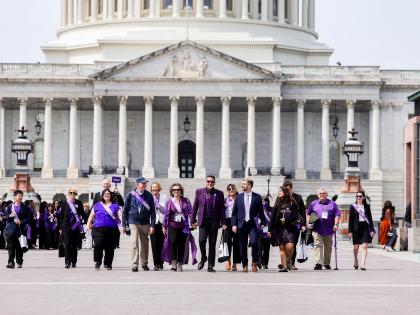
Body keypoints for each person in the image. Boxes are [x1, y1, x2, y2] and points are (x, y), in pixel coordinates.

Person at [191, 175, 226, 272]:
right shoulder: (199, 192)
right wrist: (192, 221)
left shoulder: (219, 193)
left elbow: (222, 210)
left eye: (212, 181)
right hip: (203, 221)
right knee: (202, 241)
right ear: (206, 182)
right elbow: (195, 207)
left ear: (214, 183)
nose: (210, 183)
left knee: (212, 243)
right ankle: (203, 258)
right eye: (208, 181)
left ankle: (210, 265)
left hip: (214, 222)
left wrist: (223, 222)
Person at [231, 178, 266, 273]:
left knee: (254, 242)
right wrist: (234, 225)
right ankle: (245, 265)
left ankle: (254, 262)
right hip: (241, 225)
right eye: (242, 184)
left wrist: (263, 222)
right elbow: (234, 213)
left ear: (249, 185)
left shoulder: (257, 197)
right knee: (242, 246)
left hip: (252, 225)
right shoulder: (238, 197)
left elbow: (261, 212)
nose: (242, 185)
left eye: (244, 184)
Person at [122, 176, 156, 272]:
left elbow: (153, 212)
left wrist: (152, 225)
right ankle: (134, 264)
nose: (144, 185)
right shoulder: (130, 195)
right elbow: (125, 210)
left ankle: (144, 263)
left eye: (145, 183)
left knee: (144, 244)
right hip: (133, 221)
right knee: (134, 243)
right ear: (137, 185)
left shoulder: (149, 195)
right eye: (142, 183)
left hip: (145, 222)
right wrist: (124, 224)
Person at [161, 183, 197, 271]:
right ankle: (173, 262)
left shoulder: (186, 201)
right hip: (172, 225)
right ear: (172, 192)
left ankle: (180, 262)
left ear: (181, 191)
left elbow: (191, 212)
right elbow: (166, 215)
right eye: (174, 190)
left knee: (181, 245)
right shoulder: (169, 202)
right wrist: (164, 226)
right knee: (173, 243)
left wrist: (193, 222)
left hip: (184, 226)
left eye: (178, 190)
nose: (176, 191)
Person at [87, 189, 121, 270]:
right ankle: (98, 261)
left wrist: (122, 225)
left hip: (111, 229)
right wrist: (88, 224)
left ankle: (108, 263)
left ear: (111, 195)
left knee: (110, 247)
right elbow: (91, 216)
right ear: (102, 196)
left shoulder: (115, 205)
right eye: (105, 194)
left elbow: (120, 215)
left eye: (108, 194)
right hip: (98, 229)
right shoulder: (97, 205)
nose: (106, 195)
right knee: (98, 245)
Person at [307, 188, 341, 270]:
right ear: (318, 195)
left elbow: (337, 214)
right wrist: (308, 223)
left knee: (328, 247)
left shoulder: (332, 204)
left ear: (327, 195)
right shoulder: (313, 203)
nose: (322, 194)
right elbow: (308, 214)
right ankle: (318, 263)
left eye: (323, 193)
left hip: (329, 229)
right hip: (317, 229)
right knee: (318, 245)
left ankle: (326, 263)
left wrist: (336, 224)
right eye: (320, 193)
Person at [268, 186, 299, 272]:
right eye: (279, 192)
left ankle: (288, 260)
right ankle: (284, 266)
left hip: (290, 228)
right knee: (282, 247)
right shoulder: (277, 203)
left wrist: (287, 219)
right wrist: (269, 230)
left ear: (285, 192)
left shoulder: (292, 203)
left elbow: (296, 215)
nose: (279, 193)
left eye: (281, 191)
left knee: (290, 246)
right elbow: (272, 217)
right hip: (279, 228)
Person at [59, 187, 87, 268]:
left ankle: (74, 261)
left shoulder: (79, 203)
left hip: (76, 226)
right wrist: (60, 227)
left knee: (74, 245)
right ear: (68, 194)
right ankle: (67, 262)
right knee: (67, 244)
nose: (72, 194)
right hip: (66, 226)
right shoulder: (65, 203)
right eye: (71, 193)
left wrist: (87, 223)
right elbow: (62, 215)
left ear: (76, 195)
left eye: (74, 193)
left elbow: (83, 214)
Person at [4, 190, 31, 268]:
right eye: (19, 195)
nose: (20, 197)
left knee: (19, 247)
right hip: (11, 230)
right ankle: (11, 262)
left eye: (21, 195)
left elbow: (29, 217)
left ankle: (19, 261)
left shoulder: (25, 207)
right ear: (15, 197)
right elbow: (7, 218)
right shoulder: (9, 207)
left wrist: (22, 222)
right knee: (11, 247)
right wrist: (10, 216)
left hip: (20, 229)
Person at [283, 179, 306, 270]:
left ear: (292, 188)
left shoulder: (298, 197)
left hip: (295, 225)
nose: (287, 191)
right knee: (284, 245)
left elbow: (303, 212)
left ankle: (291, 263)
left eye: (288, 189)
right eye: (285, 189)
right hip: (284, 225)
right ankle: (285, 262)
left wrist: (303, 225)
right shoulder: (281, 197)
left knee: (293, 244)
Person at [348, 191, 374, 271]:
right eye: (357, 196)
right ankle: (356, 260)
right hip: (356, 228)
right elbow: (350, 219)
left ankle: (363, 265)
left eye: (360, 196)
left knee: (365, 246)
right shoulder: (353, 206)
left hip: (365, 227)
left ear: (363, 197)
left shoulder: (367, 206)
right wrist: (350, 231)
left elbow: (370, 218)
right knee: (356, 247)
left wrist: (372, 229)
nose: (358, 198)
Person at [150, 182, 168, 271]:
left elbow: (167, 211)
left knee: (162, 243)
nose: (154, 189)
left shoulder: (164, 197)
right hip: (153, 223)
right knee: (154, 244)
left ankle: (161, 262)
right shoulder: (149, 198)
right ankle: (156, 263)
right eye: (153, 187)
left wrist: (166, 224)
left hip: (162, 223)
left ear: (159, 188)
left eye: (156, 187)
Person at [223, 183, 241, 271]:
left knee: (237, 243)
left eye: (233, 188)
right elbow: (221, 213)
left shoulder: (240, 199)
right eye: (229, 189)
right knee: (226, 242)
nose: (231, 190)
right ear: (227, 191)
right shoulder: (225, 200)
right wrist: (223, 223)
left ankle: (235, 263)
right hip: (227, 222)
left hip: (237, 222)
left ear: (236, 189)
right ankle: (228, 260)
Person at [257, 195, 272, 269]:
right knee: (259, 248)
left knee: (266, 249)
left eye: (266, 201)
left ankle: (265, 263)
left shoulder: (270, 212)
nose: (264, 203)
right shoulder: (258, 211)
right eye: (263, 201)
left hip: (268, 233)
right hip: (259, 232)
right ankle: (259, 262)